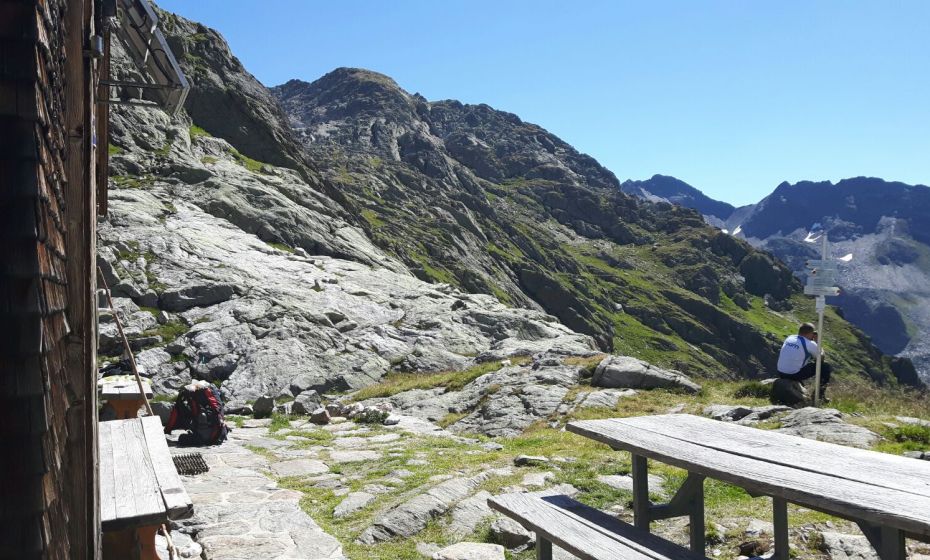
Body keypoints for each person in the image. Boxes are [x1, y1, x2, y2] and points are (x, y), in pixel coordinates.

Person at [777, 322, 832, 399]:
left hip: (781, 372)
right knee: (825, 366)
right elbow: (821, 359)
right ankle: (819, 396)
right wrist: (817, 342)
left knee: (799, 360)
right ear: (811, 333)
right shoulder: (810, 344)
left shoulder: (790, 337)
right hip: (793, 374)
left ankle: (798, 387)